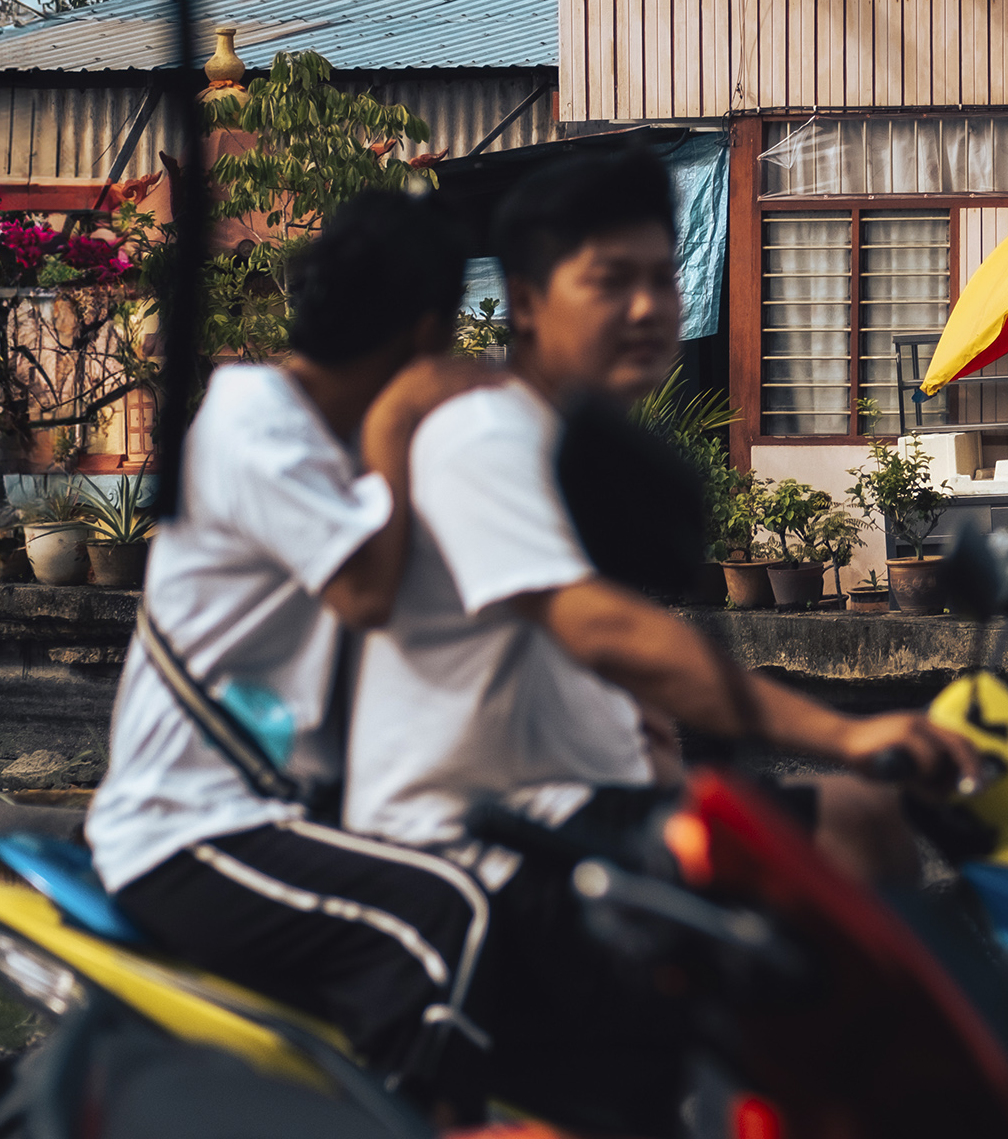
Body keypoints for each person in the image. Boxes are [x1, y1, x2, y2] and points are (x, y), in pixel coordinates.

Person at [341, 146, 973, 1137]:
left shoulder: (578, 444)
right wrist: (841, 730)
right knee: (848, 823)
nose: (648, 306)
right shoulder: (487, 436)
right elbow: (598, 626)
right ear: (526, 299)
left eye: (662, 277)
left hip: (574, 821)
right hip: (488, 860)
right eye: (610, 281)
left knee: (854, 842)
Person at [86, 189, 494, 1104]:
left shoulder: (311, 435)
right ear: (427, 332)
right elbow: (365, 589)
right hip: (194, 827)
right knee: (439, 914)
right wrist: (405, 420)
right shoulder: (260, 434)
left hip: (279, 805)